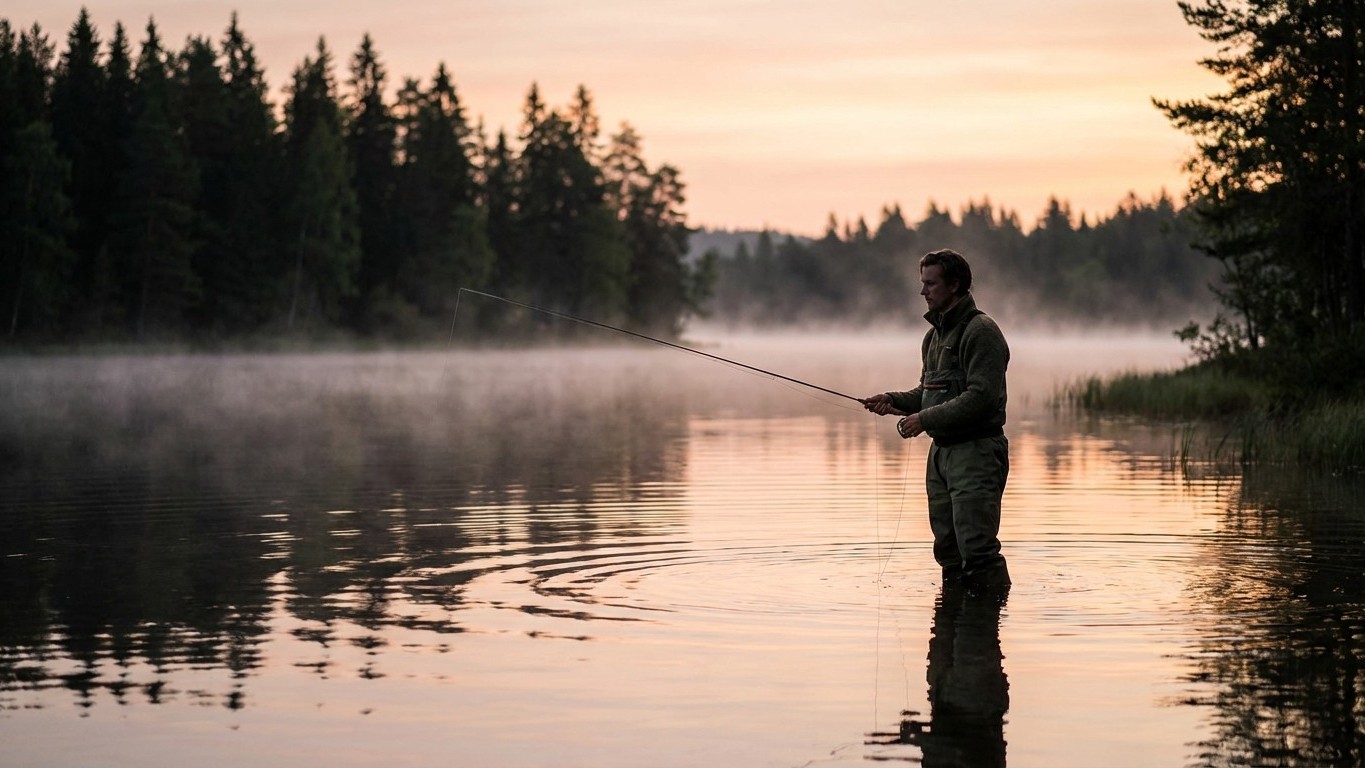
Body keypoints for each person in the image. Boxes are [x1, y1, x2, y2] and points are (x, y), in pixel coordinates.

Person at [861, 249, 1011, 592]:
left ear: (954, 285)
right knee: (947, 549)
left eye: (931, 284)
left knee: (978, 549)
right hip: (942, 455)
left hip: (977, 452)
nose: (923, 292)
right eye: (922, 283)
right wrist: (893, 400)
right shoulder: (933, 337)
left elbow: (981, 397)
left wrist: (924, 419)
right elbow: (929, 393)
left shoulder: (982, 331)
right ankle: (950, 630)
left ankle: (986, 628)